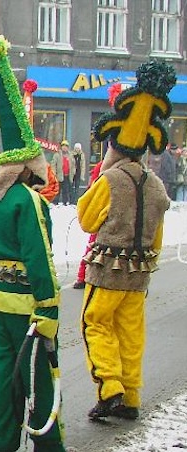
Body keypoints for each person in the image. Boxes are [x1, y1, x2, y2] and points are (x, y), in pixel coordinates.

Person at [0, 32, 78, 452]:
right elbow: (40, 260)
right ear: (29, 164)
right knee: (39, 380)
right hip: (30, 309)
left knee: (5, 383)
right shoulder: (27, 202)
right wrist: (50, 308)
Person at [79, 60, 174, 421]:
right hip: (138, 275)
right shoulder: (157, 185)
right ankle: (131, 396)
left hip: (107, 271)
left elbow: (88, 218)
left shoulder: (111, 179)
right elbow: (158, 239)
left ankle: (110, 389)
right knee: (131, 333)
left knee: (96, 323)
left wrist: (100, 181)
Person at [73, 160, 103, 290]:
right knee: (94, 243)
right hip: (103, 211)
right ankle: (83, 276)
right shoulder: (102, 165)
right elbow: (93, 188)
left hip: (118, 213)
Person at [51, 140, 74, 205]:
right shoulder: (57, 154)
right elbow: (53, 164)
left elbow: (73, 164)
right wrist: (54, 173)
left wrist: (73, 172)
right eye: (63, 146)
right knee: (57, 189)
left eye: (66, 146)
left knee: (65, 190)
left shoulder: (70, 155)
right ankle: (55, 202)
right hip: (59, 175)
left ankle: (65, 202)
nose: (64, 148)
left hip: (67, 175)